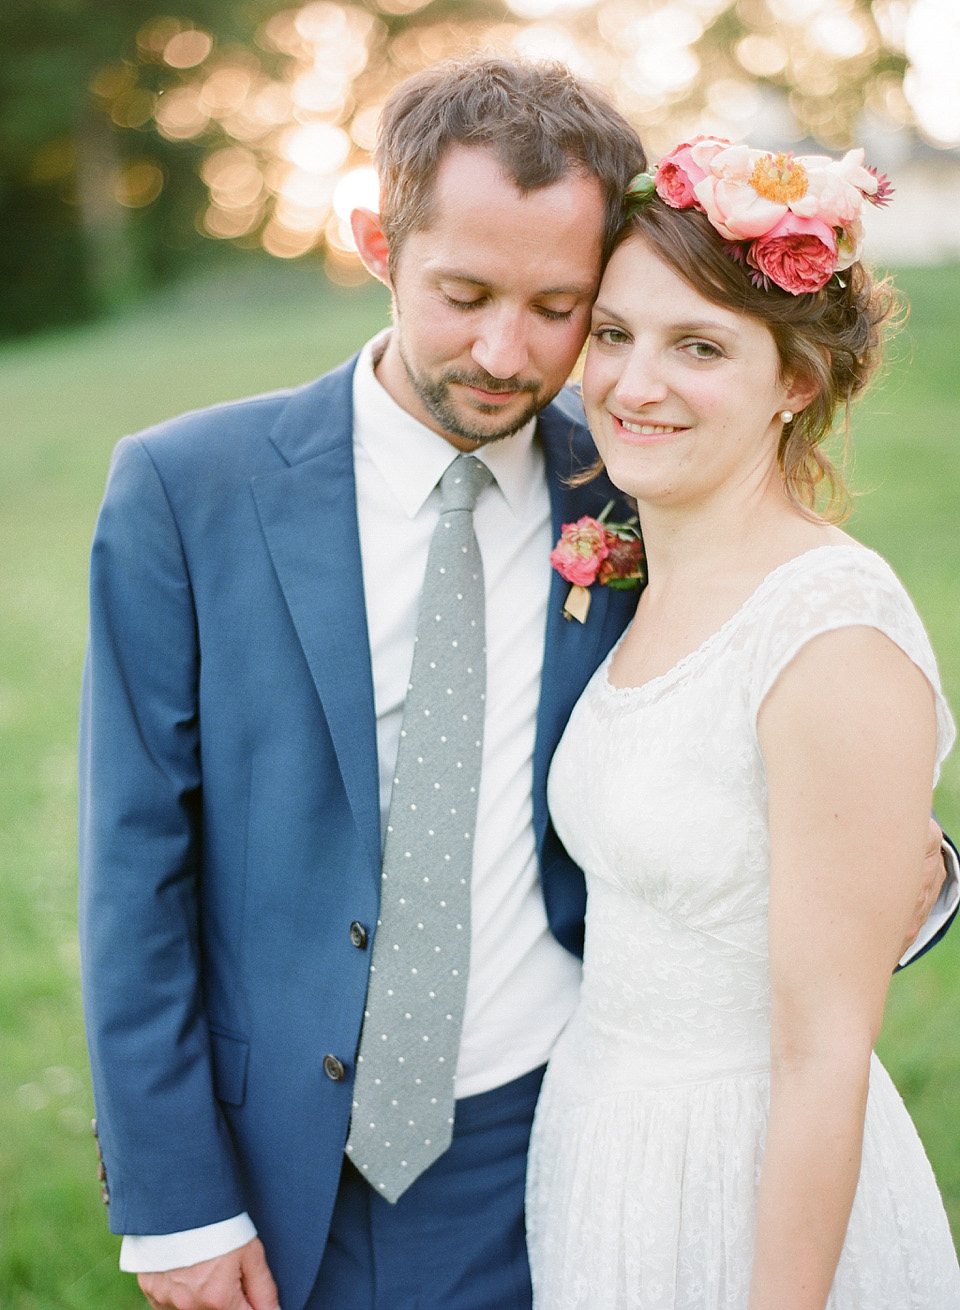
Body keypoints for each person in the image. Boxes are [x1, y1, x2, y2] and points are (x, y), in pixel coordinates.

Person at [78, 59, 955, 1310]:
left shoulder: (635, 481)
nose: (506, 350)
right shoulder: (187, 489)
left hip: (544, 1131)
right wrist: (176, 1202)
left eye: (560, 306)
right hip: (268, 1151)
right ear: (377, 243)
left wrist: (907, 866)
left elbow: (781, 707)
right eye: (464, 293)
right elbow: (132, 859)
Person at [525, 139, 960, 1308]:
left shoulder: (829, 631)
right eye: (613, 333)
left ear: (797, 382)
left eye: (699, 346)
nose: (633, 383)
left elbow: (824, 1057)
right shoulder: (647, 576)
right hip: (605, 1149)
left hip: (755, 1177)